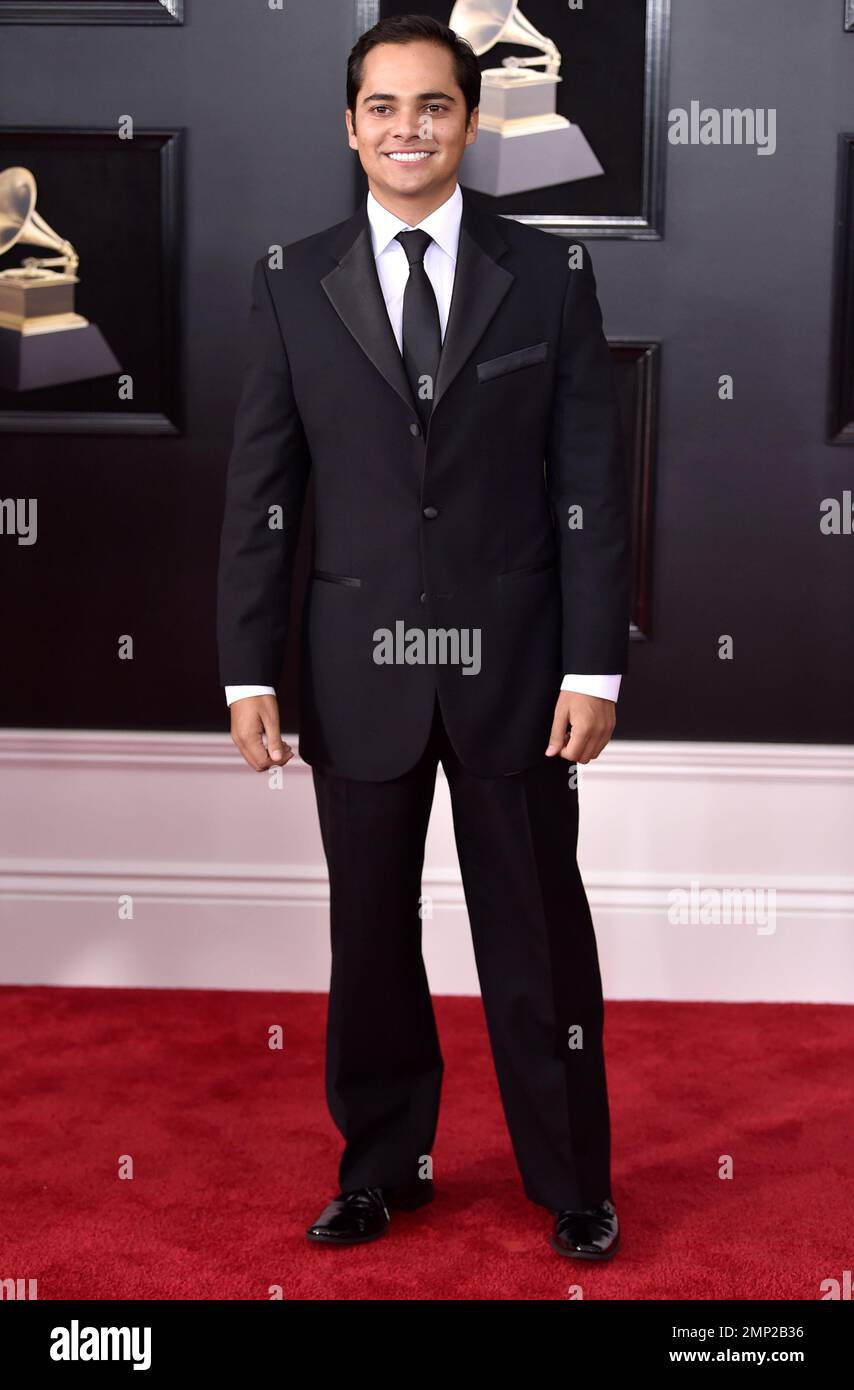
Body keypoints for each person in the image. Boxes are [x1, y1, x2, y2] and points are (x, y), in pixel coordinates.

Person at [216, 13, 631, 1261]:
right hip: (354, 671)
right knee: (369, 936)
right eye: (383, 107)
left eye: (433, 106)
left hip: (518, 672)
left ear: (469, 120)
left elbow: (591, 483)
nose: (408, 128)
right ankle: (382, 1168)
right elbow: (261, 487)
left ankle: (572, 1184)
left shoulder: (547, 275)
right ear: (351, 127)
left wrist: (593, 663)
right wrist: (249, 669)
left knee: (536, 937)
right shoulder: (290, 279)